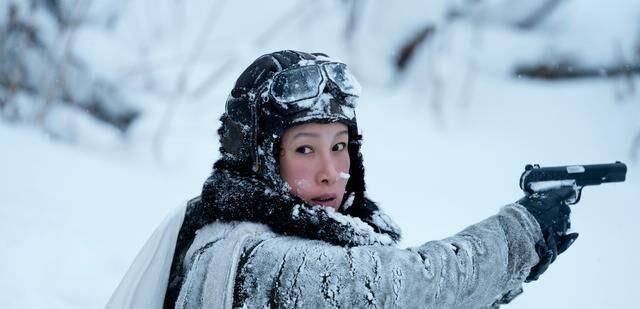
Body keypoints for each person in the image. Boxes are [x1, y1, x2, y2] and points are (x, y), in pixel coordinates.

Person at [107, 50, 579, 309]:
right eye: (305, 149)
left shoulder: (325, 239)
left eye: (340, 146)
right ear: (258, 160)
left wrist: (508, 277)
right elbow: (401, 289)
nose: (332, 171)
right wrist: (519, 235)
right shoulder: (250, 259)